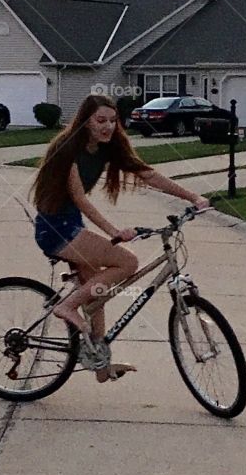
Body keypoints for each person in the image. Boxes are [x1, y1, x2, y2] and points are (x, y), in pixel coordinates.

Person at [30, 93, 209, 382]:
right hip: (55, 228)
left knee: (96, 295)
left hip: (70, 223)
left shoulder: (108, 147)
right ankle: (65, 307)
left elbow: (147, 174)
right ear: (85, 121)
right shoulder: (67, 147)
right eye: (100, 120)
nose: (108, 127)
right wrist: (113, 232)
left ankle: (101, 367)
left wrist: (192, 196)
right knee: (127, 262)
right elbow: (80, 199)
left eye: (113, 121)